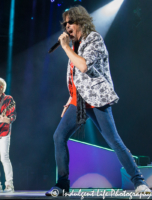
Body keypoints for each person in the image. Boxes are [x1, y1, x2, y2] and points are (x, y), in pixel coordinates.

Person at [46, 6, 151, 196]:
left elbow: (84, 66)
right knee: (58, 137)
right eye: (65, 23)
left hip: (96, 97)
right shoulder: (75, 46)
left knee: (113, 140)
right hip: (78, 100)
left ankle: (139, 182)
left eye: (70, 22)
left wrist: (65, 48)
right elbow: (76, 77)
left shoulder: (93, 39)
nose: (67, 26)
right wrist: (70, 98)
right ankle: (62, 184)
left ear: (81, 22)